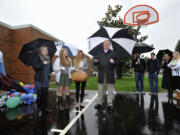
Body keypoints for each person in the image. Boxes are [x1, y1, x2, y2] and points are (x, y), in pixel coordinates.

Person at [93, 40, 118, 110]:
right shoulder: (99, 53)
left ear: (109, 45)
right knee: (100, 89)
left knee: (110, 90)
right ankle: (99, 103)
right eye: (105, 44)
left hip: (110, 74)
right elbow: (94, 62)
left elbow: (117, 61)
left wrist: (113, 62)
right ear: (103, 45)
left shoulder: (113, 53)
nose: (106, 45)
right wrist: (95, 61)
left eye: (107, 44)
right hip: (101, 74)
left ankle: (110, 104)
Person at [32, 45, 53, 117]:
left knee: (45, 95)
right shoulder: (37, 58)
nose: (45, 51)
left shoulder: (49, 58)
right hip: (39, 79)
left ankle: (45, 108)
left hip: (46, 79)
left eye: (46, 50)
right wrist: (42, 63)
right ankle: (40, 110)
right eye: (44, 50)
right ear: (41, 51)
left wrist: (51, 72)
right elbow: (35, 67)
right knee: (39, 95)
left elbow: (50, 67)